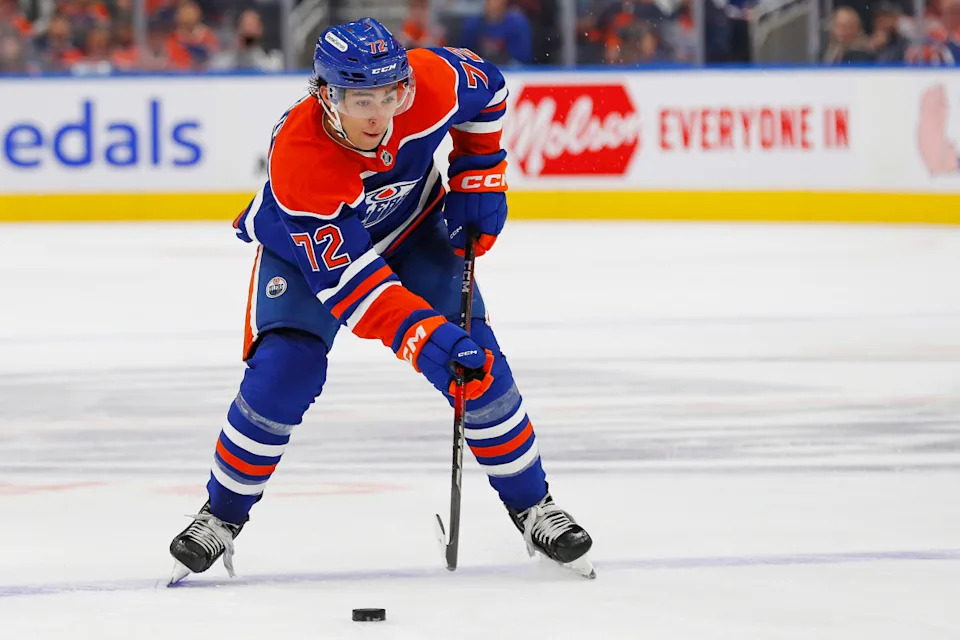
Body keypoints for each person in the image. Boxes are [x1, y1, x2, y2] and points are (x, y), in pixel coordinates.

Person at [168, 17, 595, 583]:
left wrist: (479, 170)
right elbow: (355, 289)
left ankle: (533, 505)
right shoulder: (301, 156)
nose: (378, 116)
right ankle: (220, 516)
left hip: (414, 227)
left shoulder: (430, 82)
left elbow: (488, 90)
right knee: (283, 372)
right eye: (358, 98)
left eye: (389, 94)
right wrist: (425, 339)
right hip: (305, 254)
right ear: (325, 94)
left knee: (479, 363)